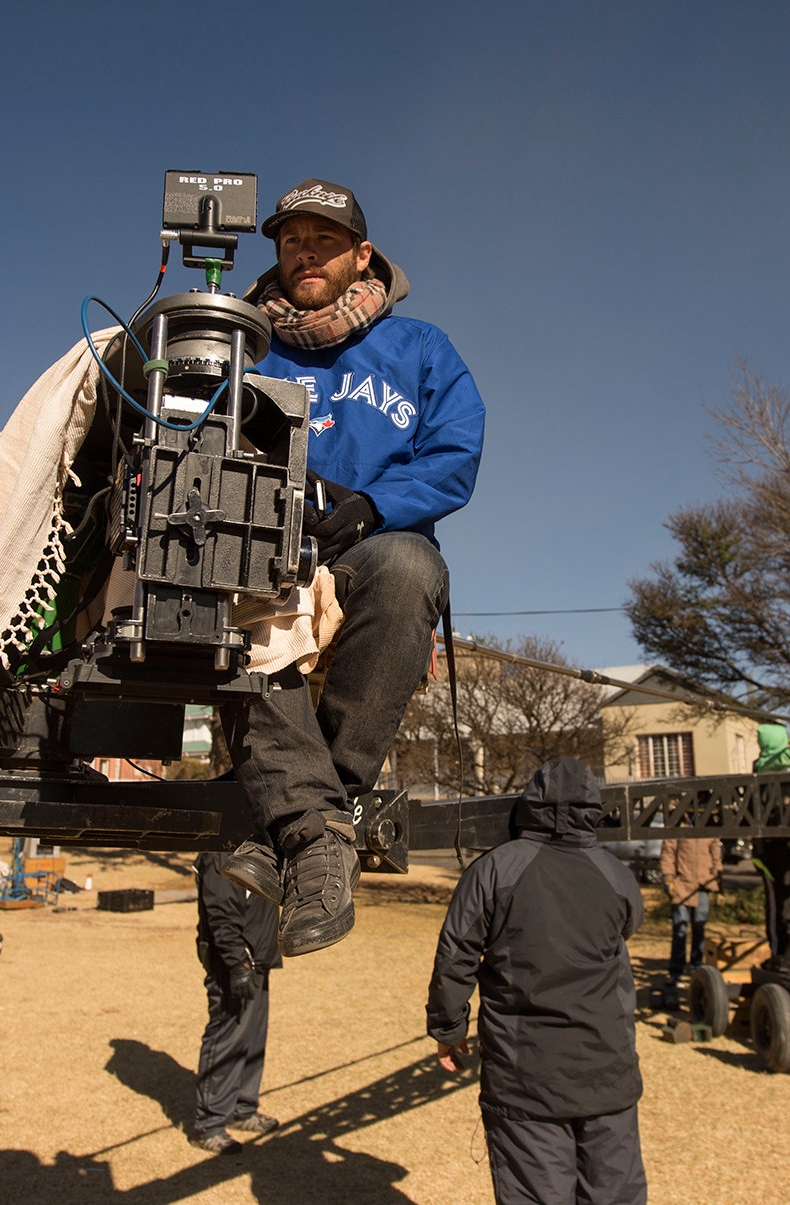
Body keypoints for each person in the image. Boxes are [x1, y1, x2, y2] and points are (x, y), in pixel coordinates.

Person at [220, 178, 486, 958]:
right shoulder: (242, 346)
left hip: (371, 543)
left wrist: (371, 504)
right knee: (212, 588)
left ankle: (306, 818)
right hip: (267, 548)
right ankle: (321, 831)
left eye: (324, 240)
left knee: (408, 567)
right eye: (291, 238)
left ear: (360, 256)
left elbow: (454, 454)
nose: (305, 251)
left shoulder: (422, 348)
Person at [428, 758, 647, 1204]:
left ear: (529, 804)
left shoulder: (494, 871)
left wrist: (448, 1029)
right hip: (609, 1073)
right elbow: (629, 926)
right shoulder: (617, 875)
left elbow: (456, 955)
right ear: (592, 808)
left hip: (526, 1079)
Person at [189, 850, 283, 1155]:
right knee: (226, 1038)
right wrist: (237, 964)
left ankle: (243, 1108)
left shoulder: (260, 845)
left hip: (260, 958)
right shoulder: (219, 852)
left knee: (253, 1039)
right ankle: (210, 1125)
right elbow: (220, 911)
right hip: (234, 964)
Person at [660, 828, 721, 1001]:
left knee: (699, 927)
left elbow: (716, 857)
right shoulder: (679, 827)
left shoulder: (710, 829)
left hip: (703, 885)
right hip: (681, 885)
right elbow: (668, 853)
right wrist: (668, 878)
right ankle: (676, 971)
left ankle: (696, 967)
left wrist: (719, 884)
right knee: (680, 929)